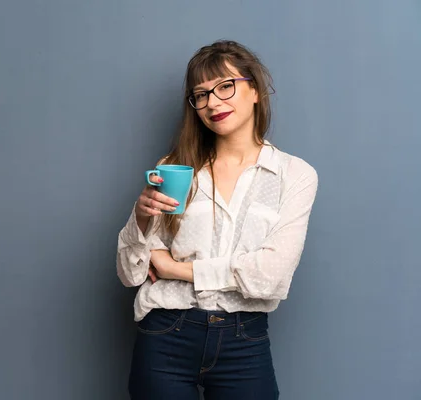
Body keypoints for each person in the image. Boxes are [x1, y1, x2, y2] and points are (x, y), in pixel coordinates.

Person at [116, 40, 318, 399]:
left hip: (245, 340)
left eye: (225, 86)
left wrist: (177, 270)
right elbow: (131, 271)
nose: (213, 102)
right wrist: (141, 218)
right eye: (201, 94)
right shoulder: (175, 169)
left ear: (254, 89)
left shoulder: (294, 174)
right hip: (166, 333)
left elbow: (271, 277)